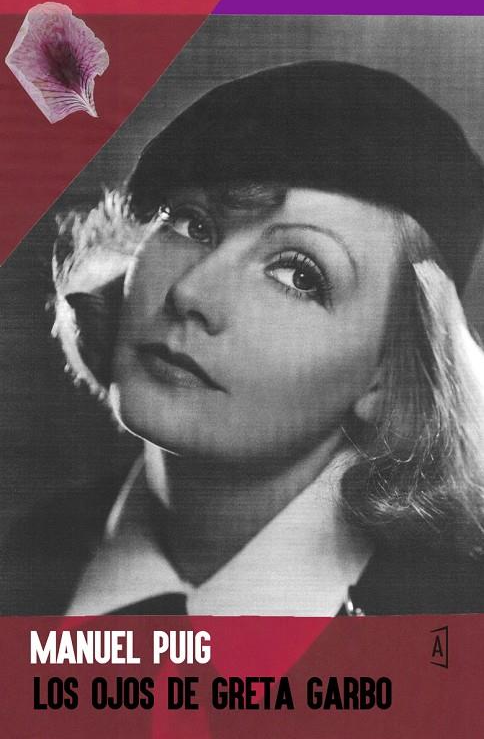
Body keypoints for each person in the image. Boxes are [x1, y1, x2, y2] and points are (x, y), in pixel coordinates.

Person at [29, 61, 484, 615]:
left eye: (298, 275)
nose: (191, 292)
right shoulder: (29, 553)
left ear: (387, 375)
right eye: (192, 224)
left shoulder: (454, 618)